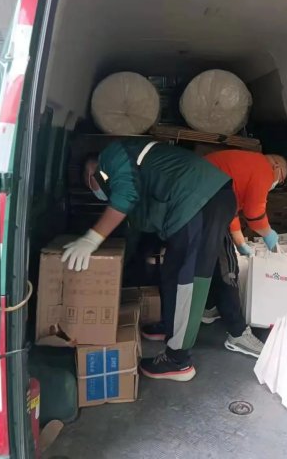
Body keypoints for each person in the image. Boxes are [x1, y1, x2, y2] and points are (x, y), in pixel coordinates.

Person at [61, 139, 236, 382]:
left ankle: (178, 361)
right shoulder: (136, 178)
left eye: (88, 183)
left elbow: (126, 196)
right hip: (196, 201)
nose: (95, 191)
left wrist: (92, 239)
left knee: (186, 279)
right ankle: (170, 326)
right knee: (173, 271)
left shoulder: (111, 155)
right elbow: (137, 225)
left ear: (90, 170)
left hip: (199, 199)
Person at [202, 150, 287, 356]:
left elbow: (230, 210)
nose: (276, 184)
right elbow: (254, 214)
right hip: (206, 204)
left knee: (212, 261)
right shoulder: (263, 168)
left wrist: (240, 242)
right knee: (228, 269)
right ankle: (238, 334)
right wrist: (269, 234)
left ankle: (210, 307)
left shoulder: (244, 166)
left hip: (201, 201)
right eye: (281, 179)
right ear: (277, 167)